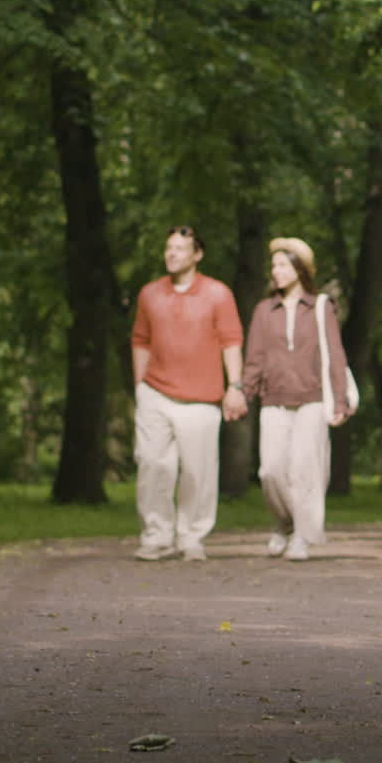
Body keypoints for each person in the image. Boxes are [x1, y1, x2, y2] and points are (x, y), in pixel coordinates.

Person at [131, 225, 247, 562]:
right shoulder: (149, 294)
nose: (171, 253)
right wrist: (140, 386)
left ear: (197, 254)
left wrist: (235, 386)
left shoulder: (218, 294)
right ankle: (156, 535)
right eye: (168, 247)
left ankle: (191, 536)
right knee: (153, 466)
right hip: (155, 393)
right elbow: (140, 340)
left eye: (180, 248)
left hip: (202, 399)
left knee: (198, 472)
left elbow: (231, 341)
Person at [243, 236, 353, 562]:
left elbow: (335, 355)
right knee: (271, 471)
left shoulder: (320, 306)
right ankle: (285, 522)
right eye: (273, 265)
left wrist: (341, 402)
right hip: (274, 400)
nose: (274, 271)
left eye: (281, 264)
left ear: (298, 268)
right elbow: (255, 358)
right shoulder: (264, 310)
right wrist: (243, 393)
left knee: (305, 469)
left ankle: (303, 535)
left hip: (312, 400)